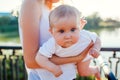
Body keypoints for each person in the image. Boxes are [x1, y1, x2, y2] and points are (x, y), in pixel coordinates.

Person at [19, 0, 94, 80]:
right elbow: (31, 61)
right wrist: (77, 58)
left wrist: (76, 30)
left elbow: (55, 43)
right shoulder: (31, 2)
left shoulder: (50, 8)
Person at [35, 5, 101, 80]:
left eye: (73, 29)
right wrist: (52, 68)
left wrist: (95, 49)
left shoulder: (84, 35)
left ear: (79, 27)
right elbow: (39, 57)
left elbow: (97, 38)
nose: (68, 36)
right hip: (73, 58)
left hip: (84, 55)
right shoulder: (52, 43)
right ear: (51, 32)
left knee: (83, 72)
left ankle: (96, 70)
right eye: (61, 31)